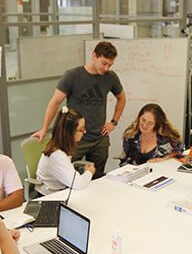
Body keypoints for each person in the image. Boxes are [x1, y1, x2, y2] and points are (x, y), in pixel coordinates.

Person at [32, 41, 127, 179]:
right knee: (68, 177)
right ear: (94, 56)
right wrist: (44, 128)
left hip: (99, 137)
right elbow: (55, 102)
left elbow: (122, 98)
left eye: (110, 65)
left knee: (97, 176)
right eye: (103, 63)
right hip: (74, 137)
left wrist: (114, 122)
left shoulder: (110, 77)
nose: (106, 68)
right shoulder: (72, 75)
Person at [36, 107, 95, 195]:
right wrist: (89, 172)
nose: (84, 132)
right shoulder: (56, 155)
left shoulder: (61, 145)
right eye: (81, 129)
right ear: (69, 132)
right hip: (49, 196)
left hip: (61, 189)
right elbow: (78, 184)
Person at [120, 103, 184, 165]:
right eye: (143, 120)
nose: (145, 125)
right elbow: (124, 161)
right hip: (133, 174)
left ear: (157, 124)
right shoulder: (131, 136)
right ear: (139, 117)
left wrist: (165, 159)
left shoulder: (167, 139)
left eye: (150, 123)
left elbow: (180, 152)